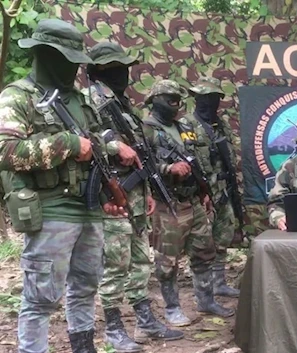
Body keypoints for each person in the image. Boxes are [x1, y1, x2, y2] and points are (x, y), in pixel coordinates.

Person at [0, 19, 136, 353]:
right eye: (67, 58)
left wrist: (107, 193)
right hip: (50, 211)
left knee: (86, 287)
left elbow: (96, 151)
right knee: (40, 298)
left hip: (88, 211)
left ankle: (84, 347)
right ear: (46, 54)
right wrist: (67, 144)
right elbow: (5, 151)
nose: (74, 66)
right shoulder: (18, 97)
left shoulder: (80, 100)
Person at [84, 42, 184, 351]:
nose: (125, 73)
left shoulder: (122, 103)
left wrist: (148, 190)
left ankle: (145, 321)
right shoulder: (91, 100)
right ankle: (114, 329)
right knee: (116, 264)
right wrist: (114, 147)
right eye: (118, 66)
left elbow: (139, 151)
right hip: (111, 196)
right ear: (100, 69)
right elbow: (83, 137)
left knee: (141, 260)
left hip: (135, 195)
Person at [143, 79, 234, 324]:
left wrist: (203, 191)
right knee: (167, 261)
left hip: (192, 199)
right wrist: (168, 168)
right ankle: (172, 308)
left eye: (177, 98)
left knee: (204, 251)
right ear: (155, 100)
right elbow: (142, 165)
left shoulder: (183, 127)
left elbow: (197, 161)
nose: (175, 103)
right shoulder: (147, 129)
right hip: (167, 202)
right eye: (169, 98)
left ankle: (206, 301)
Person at [187, 77, 240, 297]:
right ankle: (203, 290)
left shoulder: (221, 125)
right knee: (202, 242)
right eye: (205, 99)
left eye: (214, 99)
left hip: (223, 189)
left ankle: (219, 283)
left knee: (223, 236)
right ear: (197, 99)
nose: (210, 104)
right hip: (202, 192)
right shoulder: (188, 125)